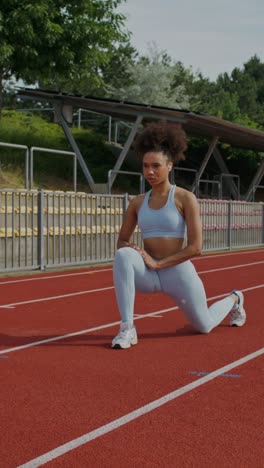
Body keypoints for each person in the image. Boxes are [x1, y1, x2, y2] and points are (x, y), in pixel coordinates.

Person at [111, 120, 246, 349]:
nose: (150, 171)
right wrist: (139, 253)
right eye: (145, 166)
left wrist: (159, 263)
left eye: (156, 165)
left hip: (177, 273)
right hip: (149, 273)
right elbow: (122, 241)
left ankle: (235, 298)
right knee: (123, 256)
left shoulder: (185, 198)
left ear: (170, 166)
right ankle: (127, 329)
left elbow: (196, 247)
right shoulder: (137, 203)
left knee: (204, 326)